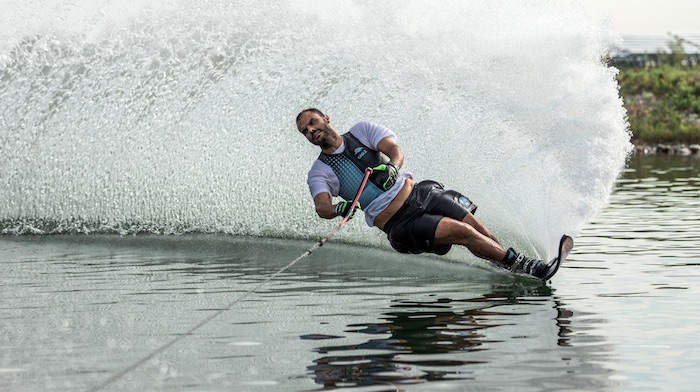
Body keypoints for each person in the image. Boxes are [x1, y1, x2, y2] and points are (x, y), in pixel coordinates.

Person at [296, 108, 554, 279]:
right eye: (305, 131)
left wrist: (392, 168)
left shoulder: (361, 131)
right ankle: (528, 266)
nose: (310, 130)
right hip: (400, 223)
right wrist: (340, 208)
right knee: (463, 232)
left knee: (478, 230)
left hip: (421, 194)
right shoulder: (320, 171)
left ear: (326, 118)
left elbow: (396, 151)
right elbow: (322, 208)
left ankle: (509, 267)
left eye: (312, 122)